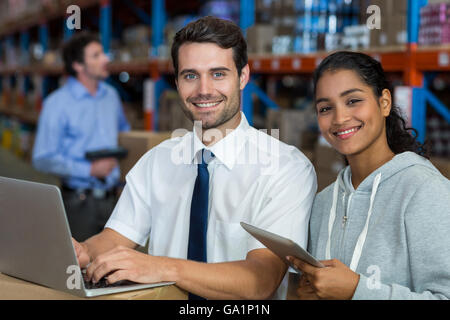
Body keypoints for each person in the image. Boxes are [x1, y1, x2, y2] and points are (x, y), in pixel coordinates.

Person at [72, 17, 317, 300]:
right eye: (190, 76)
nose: (203, 90)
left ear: (244, 76)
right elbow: (115, 238)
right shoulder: (157, 162)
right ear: (176, 82)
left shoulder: (285, 168)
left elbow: (259, 281)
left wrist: (163, 267)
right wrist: (83, 252)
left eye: (218, 74)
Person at [287, 51, 450, 300]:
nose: (340, 118)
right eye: (326, 108)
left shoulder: (425, 190)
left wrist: (356, 290)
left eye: (353, 101)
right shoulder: (322, 202)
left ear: (384, 102)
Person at [32, 32, 130, 242]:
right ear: (78, 65)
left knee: (117, 268)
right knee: (79, 269)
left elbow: (124, 132)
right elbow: (42, 158)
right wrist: (90, 170)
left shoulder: (111, 96)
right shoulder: (57, 104)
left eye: (103, 53)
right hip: (78, 203)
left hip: (115, 202)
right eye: (96, 55)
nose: (106, 59)